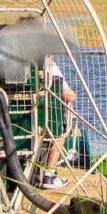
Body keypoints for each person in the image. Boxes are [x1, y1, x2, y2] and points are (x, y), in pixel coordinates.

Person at [38, 58, 77, 190]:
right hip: (43, 122)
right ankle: (49, 175)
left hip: (4, 121)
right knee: (61, 132)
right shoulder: (47, 64)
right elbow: (69, 96)